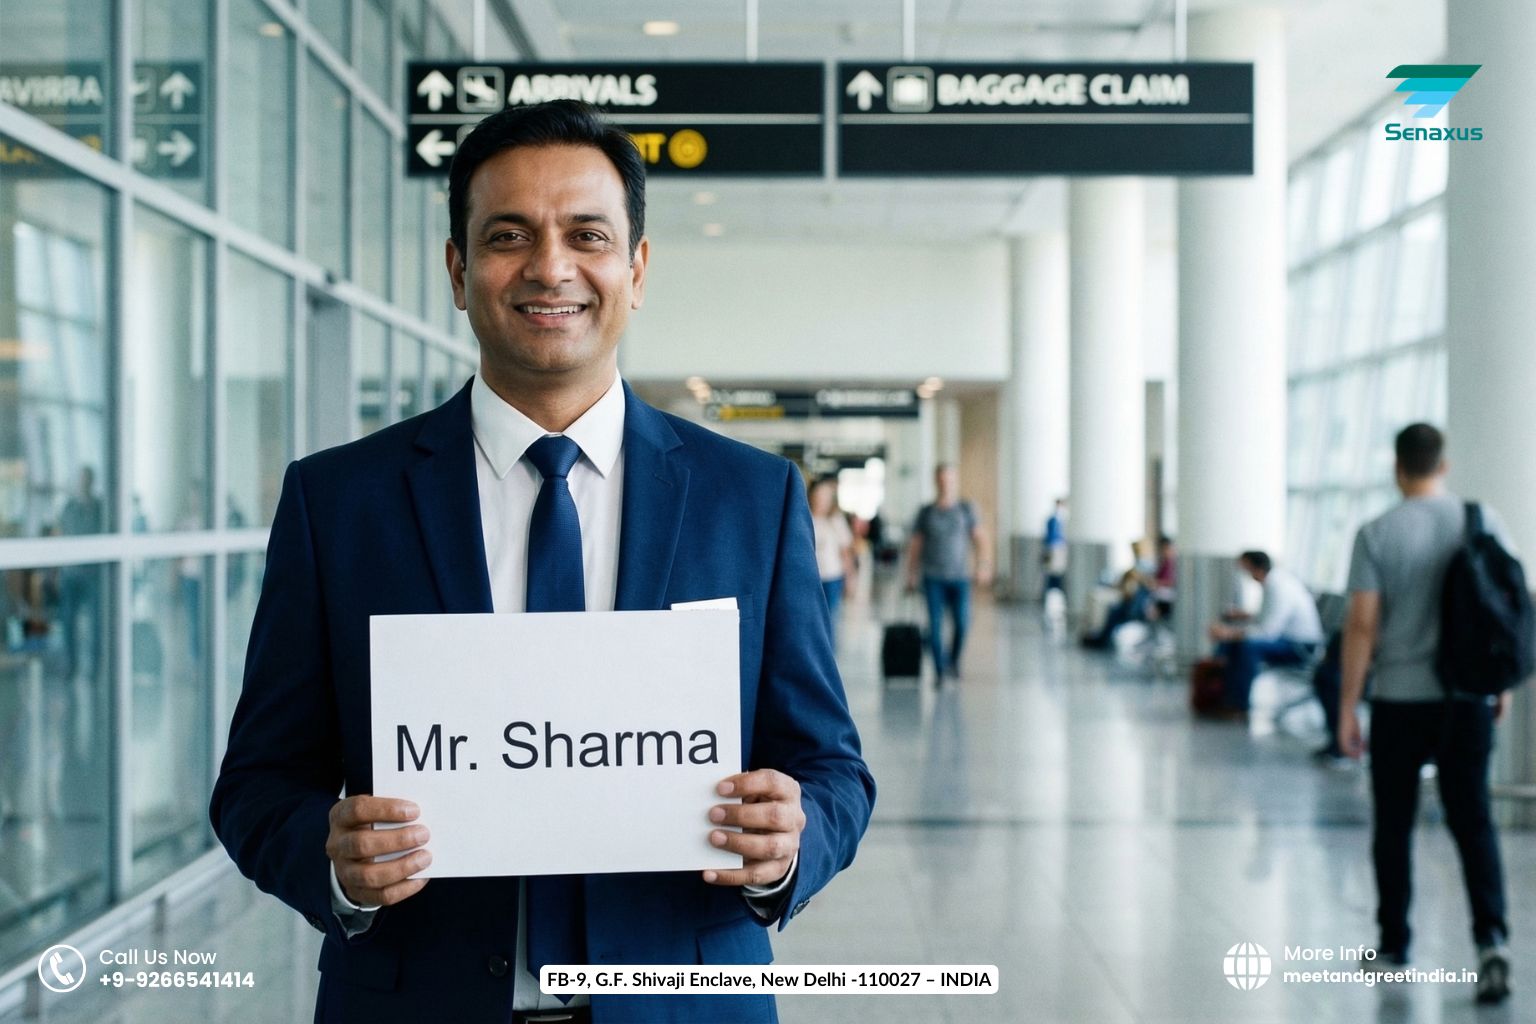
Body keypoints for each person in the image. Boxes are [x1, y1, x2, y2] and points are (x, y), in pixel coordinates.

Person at [210, 101, 874, 1024]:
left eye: (587, 234)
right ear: (458, 268)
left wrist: (792, 839)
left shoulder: (748, 499)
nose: (550, 267)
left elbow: (832, 767)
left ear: (636, 270)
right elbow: (255, 784)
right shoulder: (341, 502)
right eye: (509, 235)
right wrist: (333, 862)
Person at [1337, 423, 1511, 1003]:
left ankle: (1393, 944)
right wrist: (1498, 684)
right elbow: (1504, 609)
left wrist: (1346, 707)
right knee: (1474, 823)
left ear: (1398, 468)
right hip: (1466, 701)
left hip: (1399, 701)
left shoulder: (1377, 533)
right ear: (1445, 464)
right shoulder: (1480, 519)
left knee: (1394, 822)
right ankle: (1491, 945)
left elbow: (1362, 626)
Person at [904, 464, 992, 680]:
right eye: (942, 479)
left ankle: (953, 660)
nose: (946, 483)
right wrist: (911, 573)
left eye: (950, 479)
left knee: (962, 623)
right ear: (936, 481)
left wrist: (984, 565)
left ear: (955, 481)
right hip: (933, 577)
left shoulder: (966, 509)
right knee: (934, 627)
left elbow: (981, 539)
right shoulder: (926, 512)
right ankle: (940, 670)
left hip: (961, 577)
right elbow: (916, 545)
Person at [1207, 550, 1323, 712]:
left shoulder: (1279, 586)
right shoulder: (1274, 582)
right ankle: (1223, 698)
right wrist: (1241, 619)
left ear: (1256, 568)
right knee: (1234, 643)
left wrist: (1229, 633)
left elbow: (1268, 631)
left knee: (1247, 646)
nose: (1246, 575)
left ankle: (1237, 705)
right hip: (1288, 640)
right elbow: (1267, 620)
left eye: (1246, 569)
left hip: (1300, 647)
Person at [808, 476, 855, 630]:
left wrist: (849, 580)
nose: (821, 500)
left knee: (828, 619)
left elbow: (846, 552)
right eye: (819, 495)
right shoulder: (805, 519)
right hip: (811, 578)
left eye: (825, 497)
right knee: (812, 619)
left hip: (832, 578)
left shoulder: (836, 520)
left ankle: (829, 652)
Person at [1042, 497, 1068, 598]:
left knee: (1055, 571)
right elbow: (1051, 536)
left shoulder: (1059, 520)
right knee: (1052, 571)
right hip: (1054, 548)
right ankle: (1051, 590)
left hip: (1057, 548)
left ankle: (1053, 590)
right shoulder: (1053, 520)